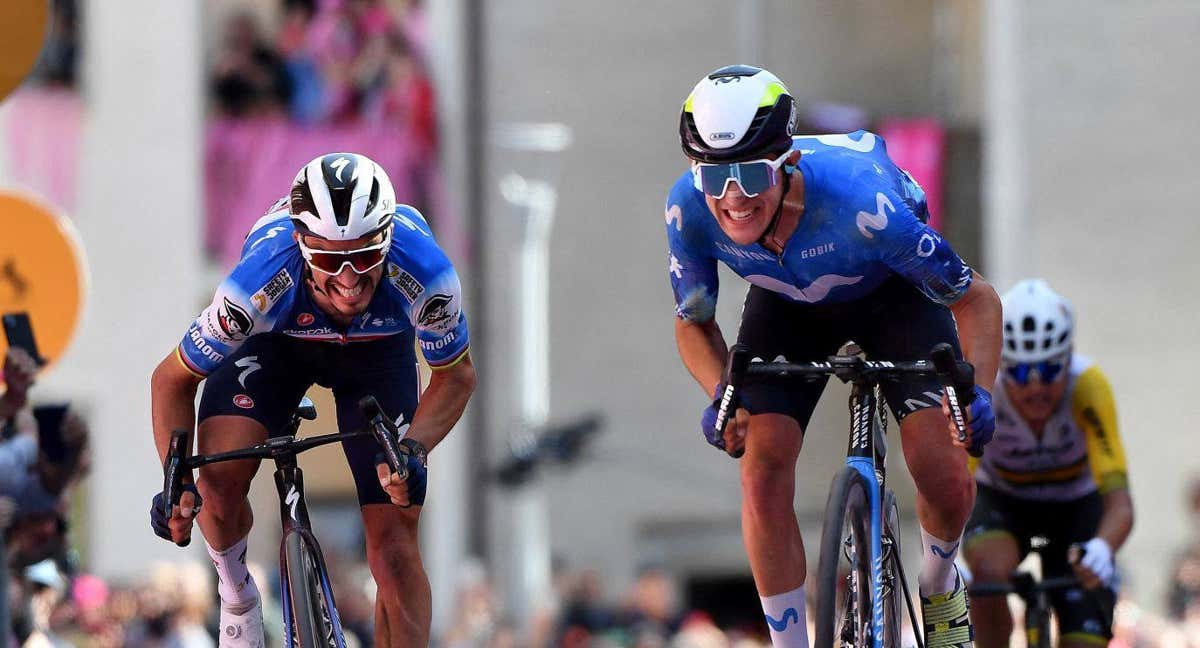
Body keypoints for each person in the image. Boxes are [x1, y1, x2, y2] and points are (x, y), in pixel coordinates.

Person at [665, 65, 1001, 647]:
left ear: (788, 162)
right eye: (713, 178)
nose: (732, 197)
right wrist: (722, 392)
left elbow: (978, 302)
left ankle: (940, 584)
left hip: (891, 292)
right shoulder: (687, 210)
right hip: (785, 305)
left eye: (749, 174)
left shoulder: (865, 203)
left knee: (940, 466)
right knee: (761, 469)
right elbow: (693, 323)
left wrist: (979, 394)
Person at [149, 152, 476, 647]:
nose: (348, 280)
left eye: (366, 256)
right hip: (278, 339)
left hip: (376, 350)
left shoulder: (428, 276)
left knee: (394, 542)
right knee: (218, 483)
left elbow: (455, 376)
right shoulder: (255, 286)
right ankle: (237, 593)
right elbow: (171, 380)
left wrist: (415, 448)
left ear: (387, 239)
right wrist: (177, 481)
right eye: (328, 260)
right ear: (302, 245)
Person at [963, 279, 1132, 648]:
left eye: (1050, 371)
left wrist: (1103, 548)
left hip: (1075, 509)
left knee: (1084, 640)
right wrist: (950, 555)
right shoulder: (985, 388)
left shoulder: (1088, 385)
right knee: (987, 577)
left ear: (1068, 360)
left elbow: (1120, 502)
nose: (1035, 388)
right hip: (1002, 502)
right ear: (1004, 367)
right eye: (1021, 373)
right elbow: (961, 482)